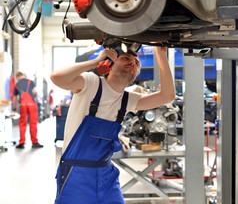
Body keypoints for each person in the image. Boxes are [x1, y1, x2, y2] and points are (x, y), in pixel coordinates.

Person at [50, 46, 175, 204]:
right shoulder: (91, 83)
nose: (132, 63)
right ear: (109, 65)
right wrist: (95, 62)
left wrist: (161, 53)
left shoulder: (127, 99)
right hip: (76, 174)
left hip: (106, 174)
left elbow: (168, 95)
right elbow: (57, 77)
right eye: (125, 58)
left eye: (136, 63)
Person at [13, 72, 43, 149]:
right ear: (24, 75)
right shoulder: (30, 81)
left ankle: (22, 142)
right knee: (33, 123)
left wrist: (14, 108)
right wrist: (34, 98)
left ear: (17, 77)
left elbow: (15, 98)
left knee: (22, 123)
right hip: (32, 104)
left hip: (23, 104)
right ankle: (34, 142)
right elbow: (35, 92)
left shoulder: (16, 85)